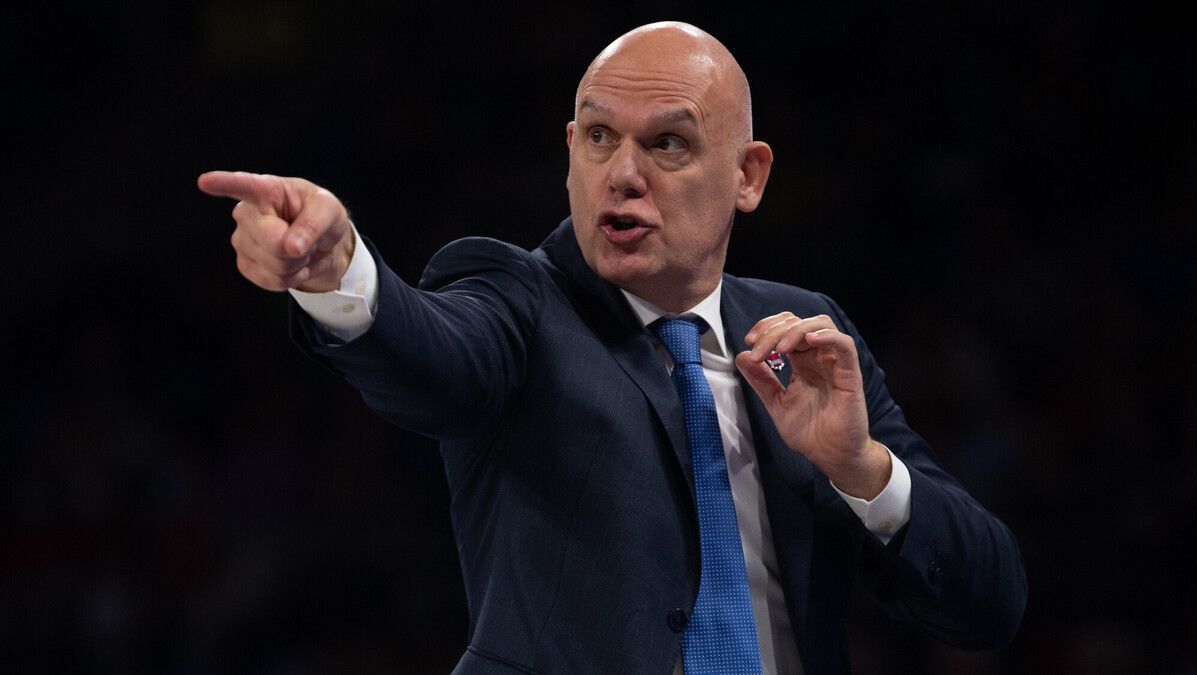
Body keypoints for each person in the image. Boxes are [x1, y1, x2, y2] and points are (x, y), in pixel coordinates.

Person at [198, 21, 1026, 675]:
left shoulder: (803, 339)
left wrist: (861, 470)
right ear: (569, 152)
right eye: (598, 138)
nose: (622, 174)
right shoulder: (514, 297)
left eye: (667, 144)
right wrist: (340, 271)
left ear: (749, 174)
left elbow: (990, 604)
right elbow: (432, 353)